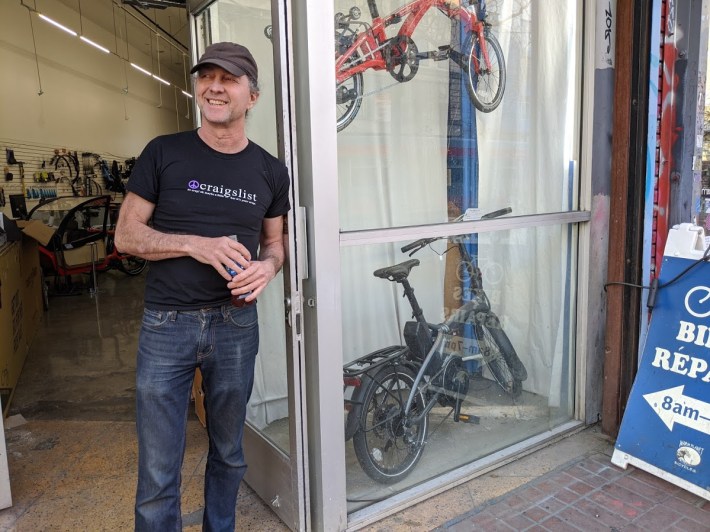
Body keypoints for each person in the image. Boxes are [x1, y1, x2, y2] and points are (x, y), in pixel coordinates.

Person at [114, 41, 291, 531]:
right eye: (206, 76)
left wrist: (269, 268)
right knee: (157, 468)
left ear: (251, 96)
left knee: (230, 454)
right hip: (166, 325)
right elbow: (126, 236)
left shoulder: (271, 171)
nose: (214, 86)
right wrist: (197, 244)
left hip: (234, 325)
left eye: (229, 78)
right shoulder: (163, 152)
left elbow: (276, 244)